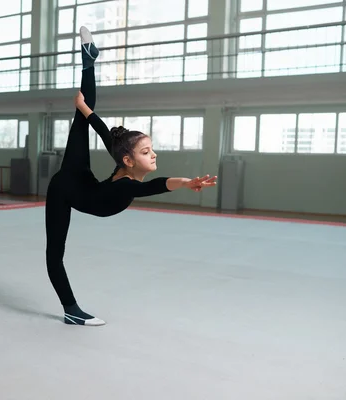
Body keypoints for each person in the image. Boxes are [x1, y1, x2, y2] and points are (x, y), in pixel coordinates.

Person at [45, 26, 217, 327]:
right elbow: (157, 185)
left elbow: (158, 183)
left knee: (83, 116)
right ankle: (71, 310)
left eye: (152, 150)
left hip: (80, 179)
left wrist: (188, 182)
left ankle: (88, 62)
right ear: (128, 160)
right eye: (147, 151)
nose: (154, 155)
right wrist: (84, 109)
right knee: (54, 253)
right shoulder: (125, 184)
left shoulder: (125, 176)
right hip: (66, 189)